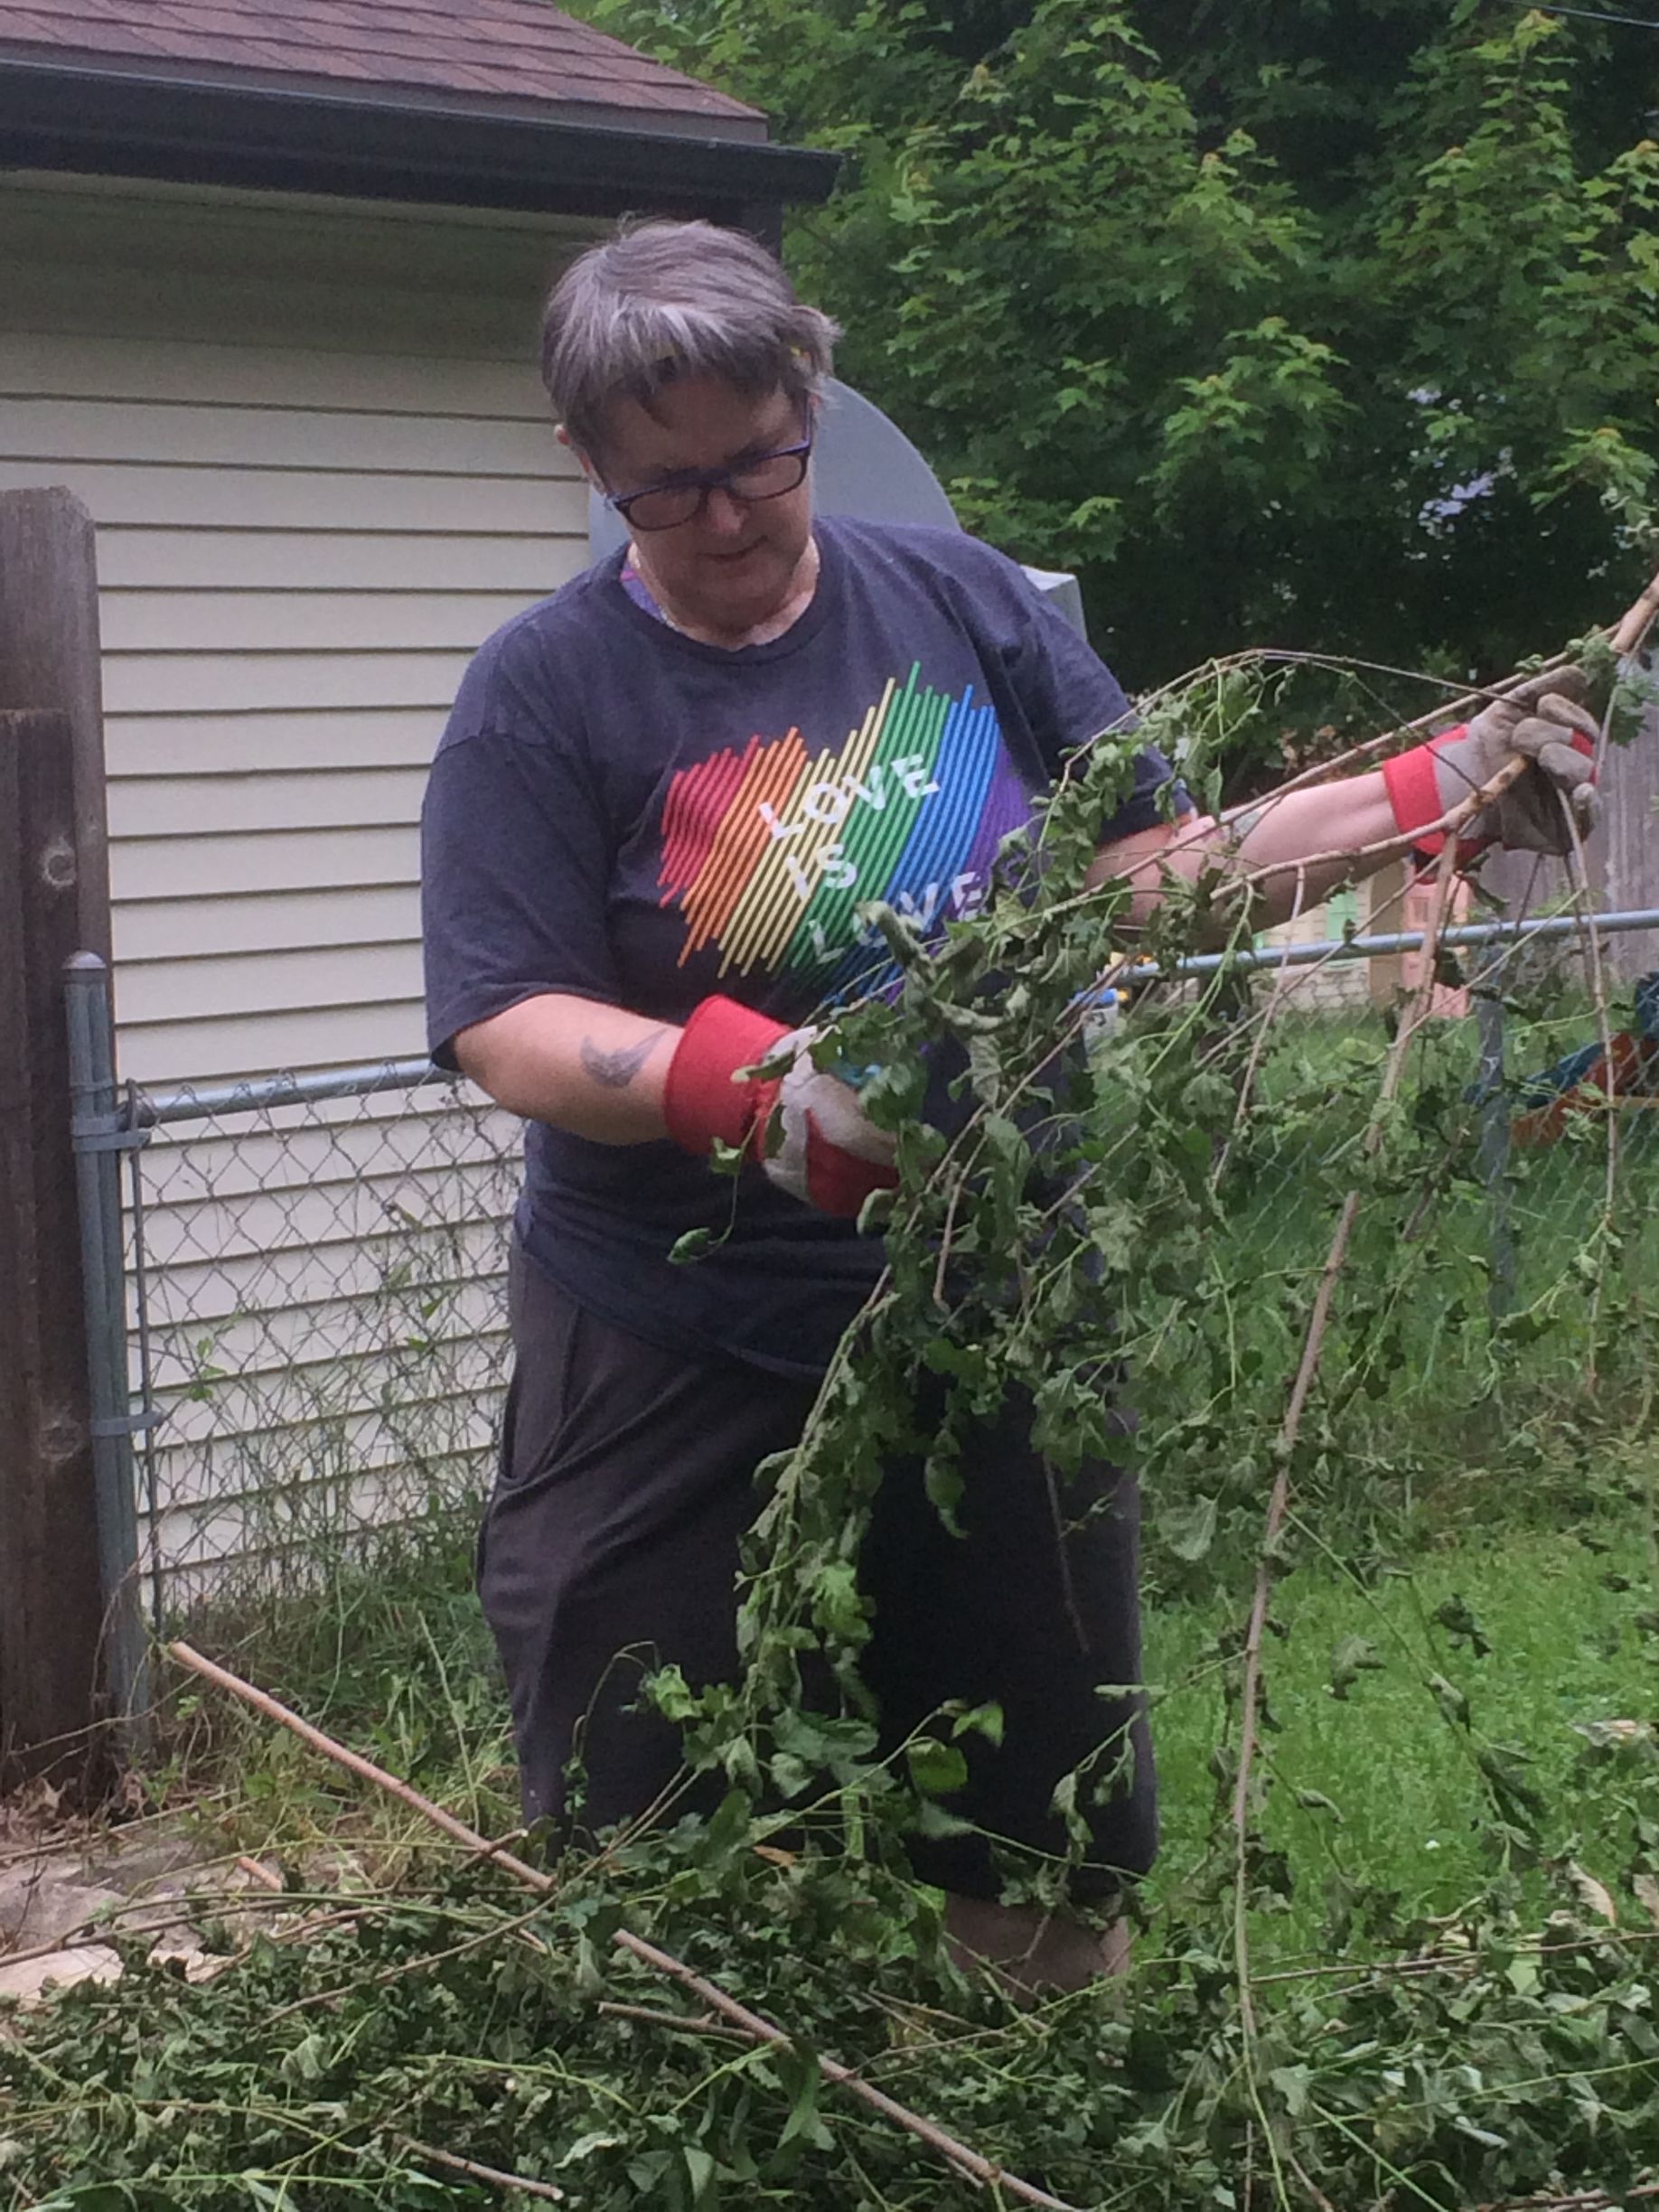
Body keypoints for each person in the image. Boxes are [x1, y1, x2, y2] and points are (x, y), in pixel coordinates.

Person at [420, 219, 1598, 1990]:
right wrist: (739, 1086)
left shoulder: (958, 602)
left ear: (804, 401)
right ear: (590, 466)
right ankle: (710, 2085)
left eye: (759, 460)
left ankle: (1023, 2101)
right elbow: (505, 1022)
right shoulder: (543, 694)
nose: (731, 514)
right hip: (679, 1327)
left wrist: (1431, 793)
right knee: (642, 1789)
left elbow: (1153, 878)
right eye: (671, 490)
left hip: (994, 1295)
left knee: (1040, 1789)